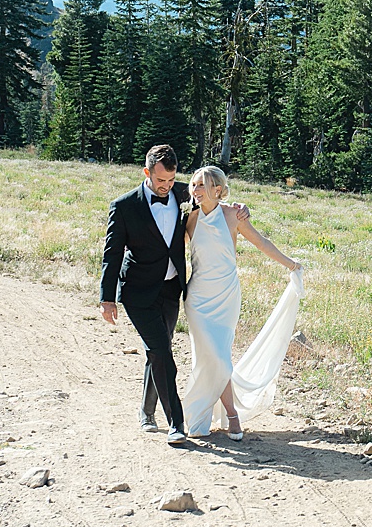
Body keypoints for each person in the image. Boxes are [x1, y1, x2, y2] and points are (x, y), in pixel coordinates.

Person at [98, 144, 246, 446]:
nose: (166, 187)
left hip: (170, 289)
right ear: (146, 173)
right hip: (137, 291)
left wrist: (241, 207)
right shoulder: (124, 206)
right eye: (160, 181)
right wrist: (107, 297)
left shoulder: (183, 194)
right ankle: (176, 423)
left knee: (158, 350)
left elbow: (212, 194)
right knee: (164, 353)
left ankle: (146, 411)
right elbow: (111, 254)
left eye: (171, 181)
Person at [179, 165, 303, 440]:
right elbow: (170, 247)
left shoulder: (234, 215)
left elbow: (261, 242)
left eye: (202, 185)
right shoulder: (191, 219)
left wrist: (291, 264)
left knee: (219, 357)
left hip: (226, 297)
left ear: (218, 190)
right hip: (198, 299)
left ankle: (224, 414)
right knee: (214, 360)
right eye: (194, 185)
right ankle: (226, 415)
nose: (196, 190)